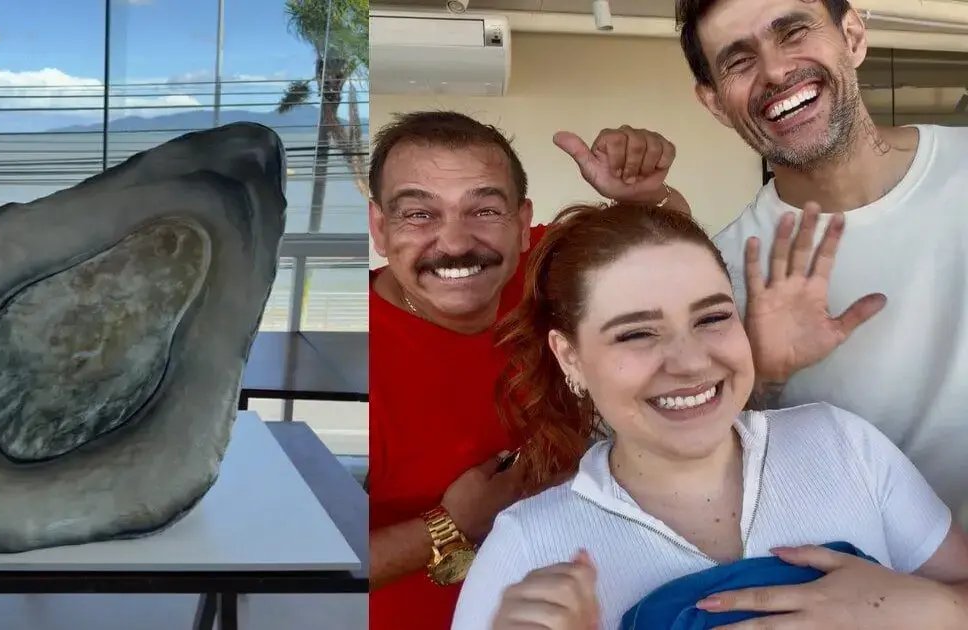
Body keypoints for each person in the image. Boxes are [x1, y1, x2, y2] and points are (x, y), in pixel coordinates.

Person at [447, 202, 968, 630]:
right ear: (570, 358)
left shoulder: (841, 444)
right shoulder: (529, 545)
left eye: (712, 317)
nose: (693, 361)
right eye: (636, 332)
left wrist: (934, 608)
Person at [368, 110, 690, 630]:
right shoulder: (356, 359)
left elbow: (669, 258)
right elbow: (317, 560)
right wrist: (450, 527)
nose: (454, 243)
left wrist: (644, 198)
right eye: (419, 214)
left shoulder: (544, 268)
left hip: (593, 595)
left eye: (485, 210)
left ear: (522, 225)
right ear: (380, 229)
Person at [678, 0, 968, 523]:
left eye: (793, 32)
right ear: (716, 103)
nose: (776, 71)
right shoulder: (716, 279)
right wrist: (760, 377)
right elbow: (701, 476)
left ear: (853, 36)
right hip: (855, 588)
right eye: (739, 62)